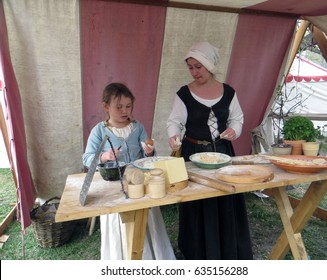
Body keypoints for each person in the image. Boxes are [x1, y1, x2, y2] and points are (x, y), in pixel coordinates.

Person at [167, 42, 253, 260]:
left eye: (199, 67)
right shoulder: (184, 94)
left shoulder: (229, 92)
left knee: (225, 197)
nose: (194, 72)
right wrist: (174, 135)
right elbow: (174, 121)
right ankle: (198, 251)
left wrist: (234, 129)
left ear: (210, 66)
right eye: (191, 67)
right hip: (193, 152)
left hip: (223, 152)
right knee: (197, 200)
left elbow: (237, 118)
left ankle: (227, 249)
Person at [83, 82, 175, 260]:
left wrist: (149, 151)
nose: (125, 111)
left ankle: (152, 257)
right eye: (119, 107)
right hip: (114, 188)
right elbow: (87, 158)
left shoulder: (137, 127)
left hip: (140, 184)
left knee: (147, 219)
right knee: (119, 223)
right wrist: (105, 155)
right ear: (106, 106)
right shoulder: (99, 131)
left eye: (128, 106)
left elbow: (147, 153)